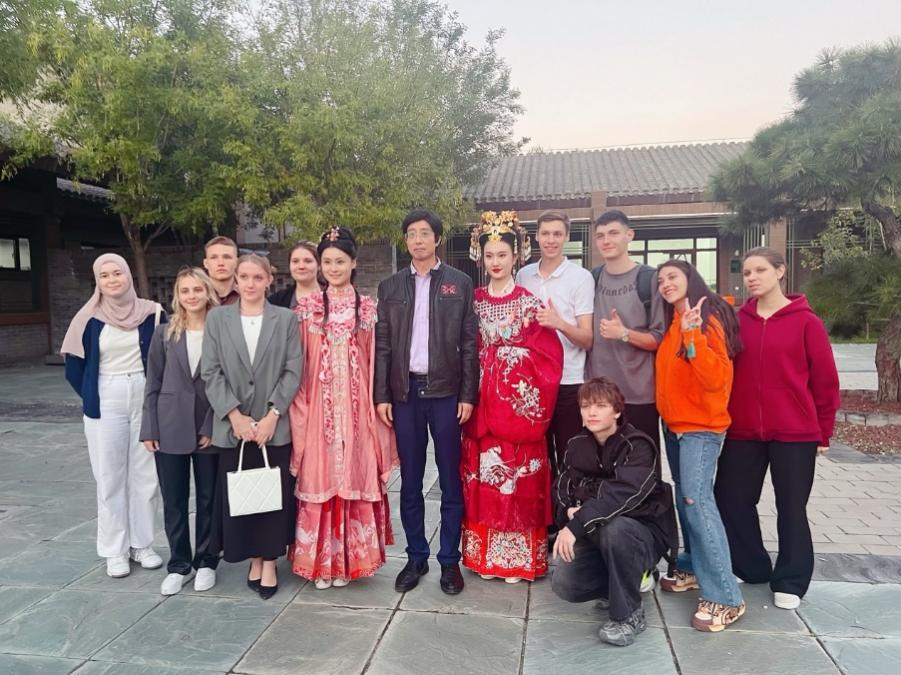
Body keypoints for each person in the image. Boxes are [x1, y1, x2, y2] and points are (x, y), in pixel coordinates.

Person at [715, 247, 839, 610]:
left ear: (780, 271)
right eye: (747, 272)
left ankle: (790, 580)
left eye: (760, 270)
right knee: (731, 498)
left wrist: (824, 431)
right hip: (743, 432)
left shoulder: (807, 322)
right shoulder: (737, 321)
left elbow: (826, 381)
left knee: (791, 507)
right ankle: (751, 567)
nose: (752, 278)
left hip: (795, 433)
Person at [375, 208, 479, 595]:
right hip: (405, 395)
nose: (417, 240)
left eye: (424, 233)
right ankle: (416, 556)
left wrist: (468, 394)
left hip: (447, 394)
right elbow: (383, 346)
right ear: (405, 241)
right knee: (411, 481)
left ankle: (449, 561)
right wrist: (382, 394)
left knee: (450, 479)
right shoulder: (390, 287)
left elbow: (469, 342)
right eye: (411, 234)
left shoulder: (459, 283)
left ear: (437, 239)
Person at [288, 228, 398, 588]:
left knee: (354, 472)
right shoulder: (307, 309)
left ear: (353, 263)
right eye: (327, 262)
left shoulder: (366, 309)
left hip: (356, 408)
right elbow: (300, 363)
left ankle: (351, 562)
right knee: (319, 476)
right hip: (318, 409)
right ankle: (322, 563)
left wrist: (376, 406)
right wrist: (301, 409)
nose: (333, 268)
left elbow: (374, 360)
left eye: (340, 261)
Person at [460, 211, 563, 583]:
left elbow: (549, 357)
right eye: (489, 255)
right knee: (484, 480)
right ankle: (483, 557)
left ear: (516, 256)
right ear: (480, 257)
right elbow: (461, 350)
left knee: (518, 482)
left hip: (516, 410)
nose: (496, 262)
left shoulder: (530, 305)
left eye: (502, 254)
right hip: (481, 409)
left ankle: (517, 560)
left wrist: (506, 357)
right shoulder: (472, 302)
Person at [202, 254, 302, 600]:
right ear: (235, 280)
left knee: (273, 496)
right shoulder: (218, 318)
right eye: (243, 277)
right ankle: (253, 559)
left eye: (257, 277)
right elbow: (210, 371)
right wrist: (234, 415)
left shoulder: (286, 319)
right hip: (235, 426)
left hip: (273, 425)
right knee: (244, 494)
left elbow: (293, 369)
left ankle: (269, 562)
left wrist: (274, 414)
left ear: (268, 280)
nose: (250, 283)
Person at [551, 378, 677, 647]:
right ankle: (617, 585)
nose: (591, 412)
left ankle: (629, 614)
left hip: (640, 533)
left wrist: (578, 520)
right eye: (586, 406)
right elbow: (562, 486)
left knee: (615, 527)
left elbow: (619, 496)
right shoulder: (577, 445)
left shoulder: (638, 445)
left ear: (617, 411)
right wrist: (566, 511)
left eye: (600, 406)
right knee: (565, 582)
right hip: (596, 532)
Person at [655, 258, 745, 632]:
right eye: (661, 280)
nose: (665, 284)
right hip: (675, 427)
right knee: (685, 500)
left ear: (690, 278)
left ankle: (726, 596)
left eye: (672, 277)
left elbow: (716, 378)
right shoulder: (676, 319)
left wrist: (693, 336)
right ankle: (692, 568)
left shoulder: (706, 318)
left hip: (700, 429)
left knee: (697, 503)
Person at [62, 253, 165, 578]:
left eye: (117, 273)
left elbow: (165, 356)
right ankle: (114, 550)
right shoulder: (88, 318)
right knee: (109, 476)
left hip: (145, 393)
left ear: (128, 275)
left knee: (146, 474)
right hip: (106, 395)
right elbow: (74, 368)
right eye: (104, 275)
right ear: (97, 282)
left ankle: (142, 544)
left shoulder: (152, 313)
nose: (112, 280)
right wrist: (94, 396)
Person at [140, 267, 220, 595]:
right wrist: (149, 427)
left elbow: (229, 382)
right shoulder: (164, 333)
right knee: (174, 499)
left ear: (207, 292)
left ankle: (206, 560)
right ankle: (179, 563)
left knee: (208, 497)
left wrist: (213, 424)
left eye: (197, 289)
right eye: (185, 290)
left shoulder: (221, 330)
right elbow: (153, 383)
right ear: (177, 295)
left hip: (208, 426)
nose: (191, 296)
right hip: (170, 424)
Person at [515, 210, 594, 478]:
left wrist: (559, 323)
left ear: (566, 237)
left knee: (571, 457)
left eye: (557, 234)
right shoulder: (523, 276)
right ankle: (544, 507)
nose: (551, 240)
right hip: (532, 382)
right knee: (538, 459)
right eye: (546, 233)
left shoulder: (580, 278)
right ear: (536, 236)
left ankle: (570, 505)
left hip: (568, 382)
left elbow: (587, 338)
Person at [587, 210, 664, 450]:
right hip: (599, 396)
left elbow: (659, 338)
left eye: (613, 233)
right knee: (601, 465)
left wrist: (624, 333)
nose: (606, 241)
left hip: (639, 396)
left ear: (629, 235)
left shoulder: (649, 279)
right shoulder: (592, 279)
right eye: (600, 236)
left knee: (640, 462)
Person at [269, 241, 321, 309]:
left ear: (319, 265)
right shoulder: (276, 301)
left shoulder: (332, 296)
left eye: (308, 261)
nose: (301, 266)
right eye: (295, 261)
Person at [203, 236, 240, 305]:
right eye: (214, 258)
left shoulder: (248, 294)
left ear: (236, 262)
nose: (221, 263)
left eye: (226, 257)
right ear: (206, 263)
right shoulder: (196, 296)